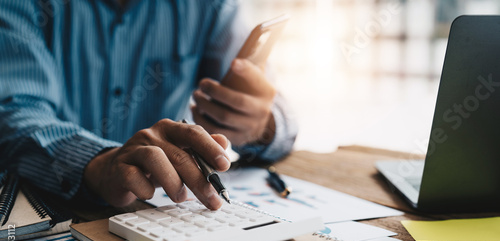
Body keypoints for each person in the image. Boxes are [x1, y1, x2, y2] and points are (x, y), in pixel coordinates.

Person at [0, 0, 297, 210]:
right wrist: (99, 162)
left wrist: (261, 126)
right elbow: (13, 116)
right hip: (38, 214)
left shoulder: (210, 5)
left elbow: (278, 112)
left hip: (158, 207)